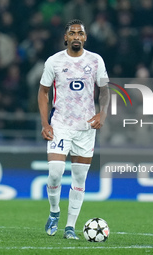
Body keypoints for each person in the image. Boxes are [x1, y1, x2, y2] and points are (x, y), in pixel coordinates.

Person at [38, 19, 110, 240]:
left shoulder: (96, 60)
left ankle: (70, 227)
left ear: (85, 37)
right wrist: (45, 123)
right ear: (66, 37)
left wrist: (102, 114)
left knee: (79, 178)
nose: (76, 36)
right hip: (60, 125)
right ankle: (54, 211)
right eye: (72, 33)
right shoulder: (54, 61)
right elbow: (43, 93)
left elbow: (105, 91)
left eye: (80, 33)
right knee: (55, 173)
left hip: (86, 128)